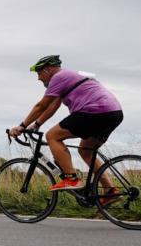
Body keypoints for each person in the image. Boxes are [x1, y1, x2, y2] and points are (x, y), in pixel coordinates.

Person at [11, 55, 123, 202]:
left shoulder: (59, 77)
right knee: (85, 151)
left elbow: (41, 105)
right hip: (113, 113)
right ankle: (110, 191)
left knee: (52, 136)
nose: (38, 78)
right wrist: (36, 125)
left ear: (49, 69)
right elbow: (53, 106)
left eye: (39, 73)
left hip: (94, 111)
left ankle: (71, 179)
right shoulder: (69, 77)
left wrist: (22, 126)